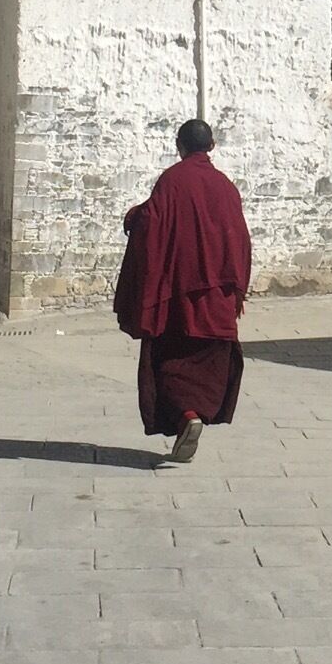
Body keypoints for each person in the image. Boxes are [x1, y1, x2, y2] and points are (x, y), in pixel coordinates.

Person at [114, 119, 251, 463]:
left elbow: (153, 226)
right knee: (208, 366)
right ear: (212, 145)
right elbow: (240, 243)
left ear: (180, 145)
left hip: (176, 299)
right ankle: (194, 414)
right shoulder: (226, 187)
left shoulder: (171, 182)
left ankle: (187, 416)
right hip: (216, 300)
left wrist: (134, 217)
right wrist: (235, 292)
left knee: (169, 362)